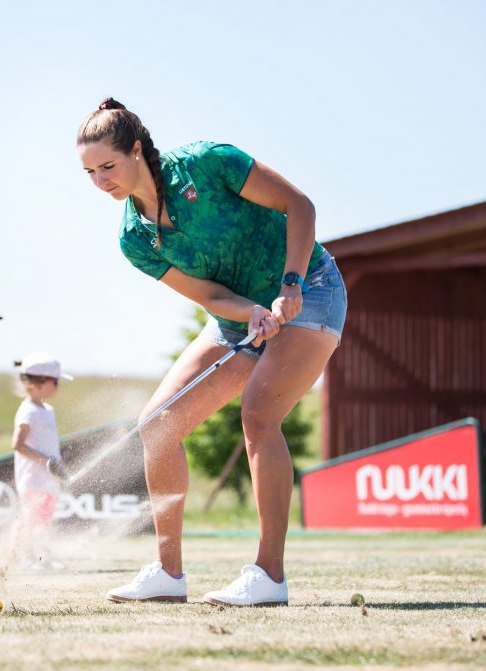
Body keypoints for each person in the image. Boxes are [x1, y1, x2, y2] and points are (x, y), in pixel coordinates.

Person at [76, 99, 347, 607]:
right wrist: (251, 313)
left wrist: (289, 285)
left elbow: (300, 206)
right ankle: (167, 572)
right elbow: (211, 298)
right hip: (239, 316)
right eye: (89, 172)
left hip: (310, 289)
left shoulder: (206, 162)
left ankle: (269, 577)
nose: (100, 181)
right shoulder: (135, 238)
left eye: (107, 166)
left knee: (259, 415)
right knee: (156, 426)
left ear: (136, 150)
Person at [11, 352, 73, 571]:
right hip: (33, 478)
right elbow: (17, 445)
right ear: (39, 383)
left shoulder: (47, 410)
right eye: (55, 381)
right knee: (32, 520)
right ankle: (28, 558)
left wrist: (57, 468)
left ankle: (43, 557)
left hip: (48, 480)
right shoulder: (27, 411)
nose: (58, 386)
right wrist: (46, 462)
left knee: (45, 521)